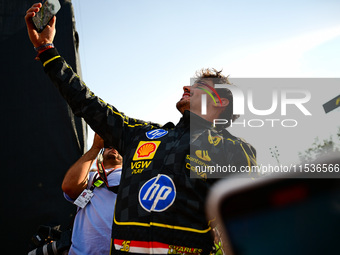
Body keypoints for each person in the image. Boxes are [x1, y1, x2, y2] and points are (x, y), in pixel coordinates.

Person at [25, 3, 257, 254]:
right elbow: (87, 103)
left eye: (199, 85)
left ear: (220, 101)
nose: (186, 88)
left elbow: (254, 226)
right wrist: (46, 49)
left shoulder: (235, 150)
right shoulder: (141, 134)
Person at [62, 133, 122, 255]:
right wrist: (95, 148)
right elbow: (69, 188)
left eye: (118, 146)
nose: (112, 148)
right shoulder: (90, 177)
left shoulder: (136, 175)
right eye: (108, 146)